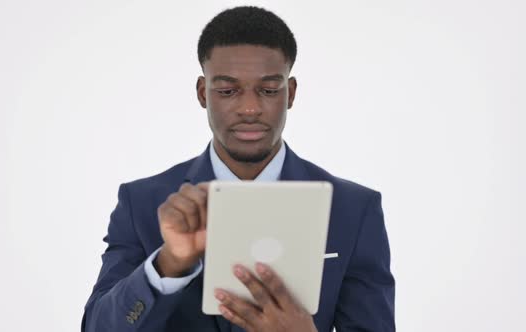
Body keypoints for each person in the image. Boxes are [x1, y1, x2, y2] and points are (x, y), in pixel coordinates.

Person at [82, 6, 395, 332]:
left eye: (269, 90)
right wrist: (168, 265)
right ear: (203, 93)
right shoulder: (143, 203)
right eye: (228, 91)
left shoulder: (354, 210)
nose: (249, 108)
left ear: (291, 93)